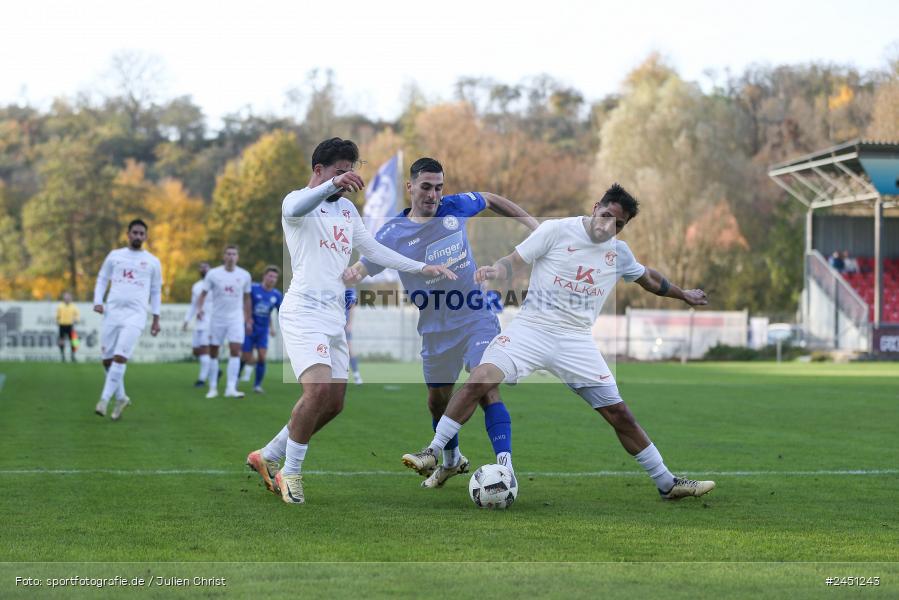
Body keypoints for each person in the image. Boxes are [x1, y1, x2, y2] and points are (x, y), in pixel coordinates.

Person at [401, 184, 717, 501]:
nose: (608, 226)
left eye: (618, 224)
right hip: (532, 329)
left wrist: (684, 294)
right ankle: (433, 450)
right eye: (606, 216)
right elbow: (515, 259)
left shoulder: (618, 253)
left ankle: (667, 482)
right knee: (481, 378)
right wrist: (497, 269)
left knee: (620, 414)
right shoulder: (556, 230)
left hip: (576, 341)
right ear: (595, 208)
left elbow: (650, 278)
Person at [244, 137, 456, 505]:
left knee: (335, 402)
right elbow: (301, 203)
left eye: (350, 174)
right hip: (303, 312)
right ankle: (290, 471)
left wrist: (422, 266)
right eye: (340, 173)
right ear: (319, 171)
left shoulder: (347, 212)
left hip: (333, 315)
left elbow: (373, 251)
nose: (346, 181)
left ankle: (267, 454)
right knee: (317, 391)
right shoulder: (296, 202)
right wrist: (333, 185)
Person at [345, 157, 538, 489]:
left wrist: (536, 226)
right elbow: (365, 267)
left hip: (475, 315)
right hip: (434, 327)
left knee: (485, 385)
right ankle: (451, 461)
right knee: (437, 401)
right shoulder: (392, 233)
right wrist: (348, 275)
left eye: (438, 188)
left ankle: (506, 469)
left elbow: (490, 198)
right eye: (426, 187)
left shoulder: (455, 207)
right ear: (410, 188)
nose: (433, 195)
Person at [92, 219, 162, 421]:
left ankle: (104, 401)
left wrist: (156, 318)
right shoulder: (115, 256)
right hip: (112, 312)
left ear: (146, 237)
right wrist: (98, 301)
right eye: (135, 233)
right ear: (128, 234)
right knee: (106, 360)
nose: (138, 236)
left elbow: (156, 291)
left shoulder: (152, 261)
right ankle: (121, 397)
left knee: (120, 357)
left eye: (142, 234)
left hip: (136, 314)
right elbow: (102, 278)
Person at [196, 246, 252, 399]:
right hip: (217, 318)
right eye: (228, 253)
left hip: (235, 319)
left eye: (234, 254)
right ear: (224, 256)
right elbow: (203, 294)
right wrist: (199, 309)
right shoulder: (213, 274)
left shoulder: (245, 275)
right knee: (214, 352)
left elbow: (247, 298)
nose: (231, 256)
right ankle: (213, 388)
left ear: (237, 257)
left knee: (235, 351)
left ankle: (231, 388)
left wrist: (248, 318)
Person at [239, 266, 283, 394]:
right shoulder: (253, 288)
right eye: (270, 276)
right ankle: (237, 374)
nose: (272, 279)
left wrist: (272, 328)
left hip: (262, 331)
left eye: (275, 277)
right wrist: (247, 319)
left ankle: (257, 385)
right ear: (264, 276)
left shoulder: (276, 294)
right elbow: (244, 304)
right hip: (249, 328)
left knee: (262, 357)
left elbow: (279, 312)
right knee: (247, 357)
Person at [183, 261, 213, 387]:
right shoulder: (196, 286)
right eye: (201, 267)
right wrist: (186, 320)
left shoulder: (216, 285)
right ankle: (214, 370)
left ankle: (201, 380)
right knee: (196, 351)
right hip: (199, 323)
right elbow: (193, 305)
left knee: (204, 351)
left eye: (205, 267)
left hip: (211, 323)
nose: (203, 269)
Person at [344, 288, 363, 385]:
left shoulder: (349, 287)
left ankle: (357, 375)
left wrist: (350, 323)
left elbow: (352, 306)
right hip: (330, 323)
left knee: (349, 348)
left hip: (343, 324)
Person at [56, 292, 80, 362]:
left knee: (74, 341)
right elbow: (57, 315)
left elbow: (77, 314)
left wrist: (76, 319)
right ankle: (62, 356)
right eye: (66, 297)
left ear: (70, 298)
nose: (67, 299)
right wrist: (57, 320)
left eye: (68, 297)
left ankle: (73, 355)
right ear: (64, 298)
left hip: (70, 325)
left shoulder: (73, 306)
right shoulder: (60, 306)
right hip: (62, 325)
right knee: (61, 341)